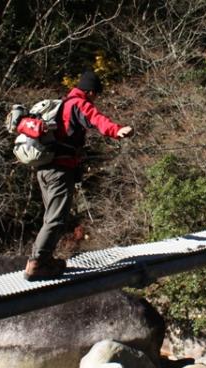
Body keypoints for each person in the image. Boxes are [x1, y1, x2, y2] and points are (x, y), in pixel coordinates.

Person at [24, 70, 133, 280]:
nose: (95, 99)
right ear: (91, 92)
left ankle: (44, 259)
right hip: (59, 171)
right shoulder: (78, 104)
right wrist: (116, 130)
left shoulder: (60, 105)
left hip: (44, 169)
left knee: (51, 217)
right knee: (56, 219)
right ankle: (37, 263)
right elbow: (96, 118)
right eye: (96, 95)